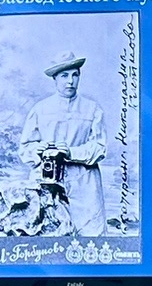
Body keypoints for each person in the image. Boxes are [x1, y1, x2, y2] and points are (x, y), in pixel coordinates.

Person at [19, 53, 109, 236]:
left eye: (75, 75)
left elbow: (100, 148)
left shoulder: (92, 109)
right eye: (64, 76)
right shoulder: (40, 109)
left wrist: (71, 152)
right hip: (46, 181)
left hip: (84, 183)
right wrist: (39, 150)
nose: (70, 81)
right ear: (55, 79)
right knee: (48, 235)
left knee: (91, 235)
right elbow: (25, 148)